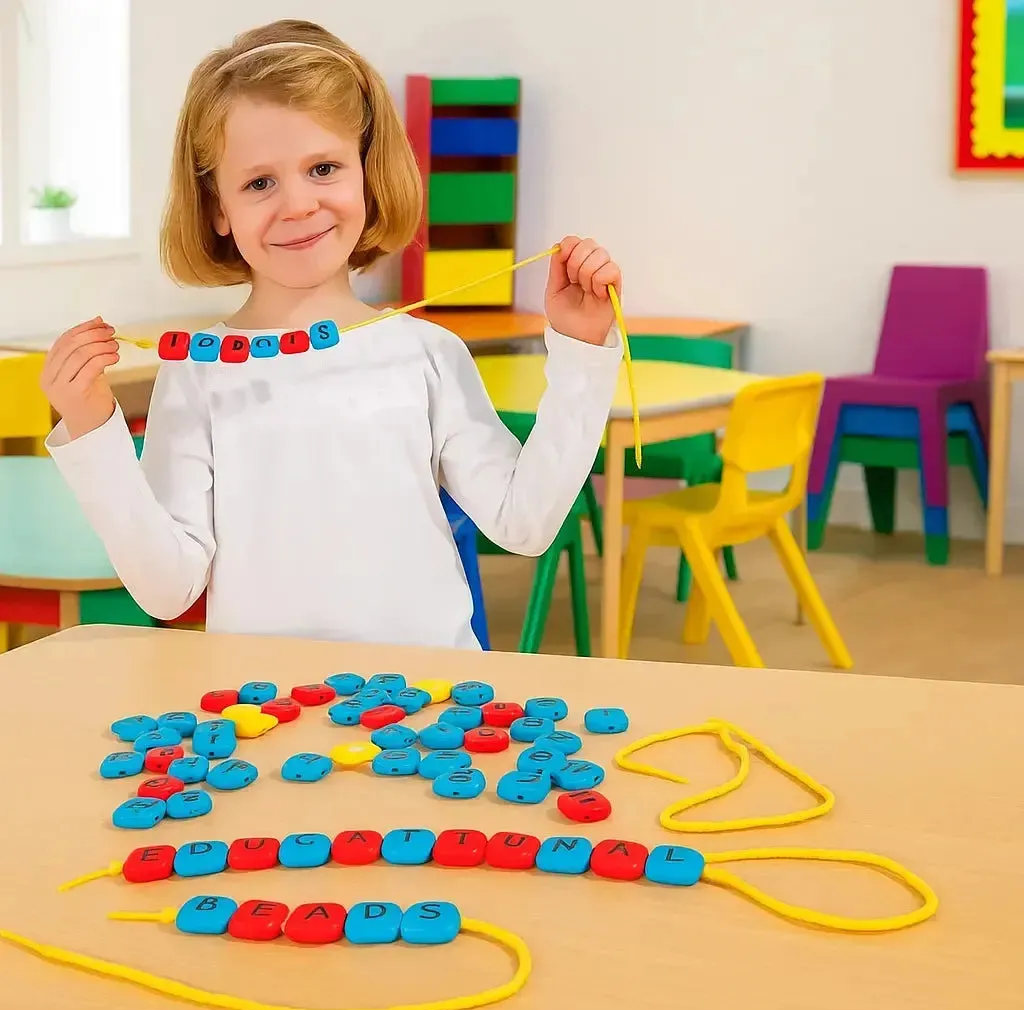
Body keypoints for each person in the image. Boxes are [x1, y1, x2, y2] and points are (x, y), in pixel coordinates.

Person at [40, 19, 624, 650]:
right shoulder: (197, 375)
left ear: (367, 176)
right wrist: (92, 431)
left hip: (432, 707)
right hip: (269, 714)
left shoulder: (427, 355)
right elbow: (167, 589)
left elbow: (525, 522)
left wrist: (581, 354)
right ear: (218, 208)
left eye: (323, 167)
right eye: (259, 182)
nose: (297, 204)